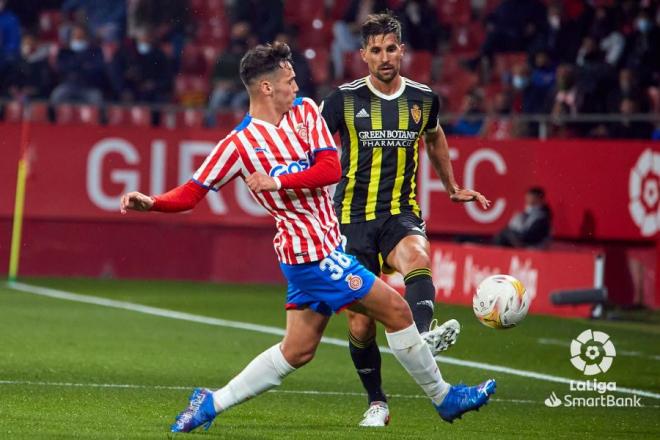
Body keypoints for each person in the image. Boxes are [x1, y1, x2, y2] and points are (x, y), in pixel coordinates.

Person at [120, 42, 496, 434]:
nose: (296, 85)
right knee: (399, 312)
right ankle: (445, 398)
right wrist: (154, 203)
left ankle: (210, 402)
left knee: (297, 351)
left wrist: (277, 180)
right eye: (289, 79)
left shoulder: (305, 113)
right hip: (309, 256)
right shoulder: (237, 146)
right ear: (267, 88)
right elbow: (192, 191)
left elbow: (331, 168)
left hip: (328, 245)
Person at [320, 13, 491, 427]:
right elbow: (314, 152)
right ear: (363, 55)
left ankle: (423, 333)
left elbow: (434, 136)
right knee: (361, 326)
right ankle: (377, 401)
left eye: (391, 48)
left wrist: (451, 186)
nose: (384, 57)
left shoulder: (422, 98)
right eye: (375, 50)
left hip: (399, 213)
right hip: (351, 220)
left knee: (417, 254)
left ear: (402, 50)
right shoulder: (341, 100)